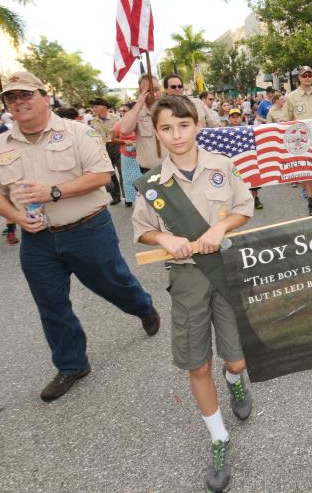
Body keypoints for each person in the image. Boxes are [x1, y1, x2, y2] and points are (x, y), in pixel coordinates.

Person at [0, 71, 160, 402]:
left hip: (88, 230)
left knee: (114, 283)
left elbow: (103, 175)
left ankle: (143, 307)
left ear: (44, 97)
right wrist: (17, 217)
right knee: (50, 303)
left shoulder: (79, 133)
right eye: (11, 98)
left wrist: (55, 191)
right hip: (37, 241)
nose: (18, 102)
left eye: (25, 95)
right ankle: (72, 365)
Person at [131, 96, 254, 493]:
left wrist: (221, 228)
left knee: (236, 358)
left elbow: (244, 207)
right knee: (197, 364)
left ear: (197, 125)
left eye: (183, 126)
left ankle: (234, 380)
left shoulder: (221, 166)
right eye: (166, 128)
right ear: (158, 132)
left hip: (226, 272)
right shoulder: (151, 183)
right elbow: (142, 228)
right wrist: (164, 235)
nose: (177, 135)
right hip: (186, 280)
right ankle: (218, 438)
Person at [284, 66, 312, 215]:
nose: (308, 77)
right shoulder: (291, 97)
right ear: (299, 78)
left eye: (310, 75)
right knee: (306, 171)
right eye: (304, 75)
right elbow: (286, 118)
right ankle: (310, 201)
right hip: (301, 141)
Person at [118, 73, 164, 173]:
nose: (154, 94)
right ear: (141, 93)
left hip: (175, 169)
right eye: (148, 91)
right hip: (150, 172)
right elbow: (124, 130)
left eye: (156, 89)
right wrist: (139, 103)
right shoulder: (137, 114)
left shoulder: (171, 110)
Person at [88, 98, 122, 206]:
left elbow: (120, 133)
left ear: (103, 107)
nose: (93, 109)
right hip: (103, 150)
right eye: (93, 107)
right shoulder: (92, 122)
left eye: (95, 106)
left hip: (117, 148)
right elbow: (92, 136)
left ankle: (129, 196)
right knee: (110, 174)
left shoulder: (116, 118)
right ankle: (115, 196)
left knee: (122, 172)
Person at [115, 108, 140, 208]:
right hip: (126, 155)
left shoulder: (141, 123)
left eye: (126, 110)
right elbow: (113, 138)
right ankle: (129, 199)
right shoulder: (119, 124)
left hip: (142, 154)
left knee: (143, 177)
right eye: (122, 111)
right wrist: (125, 141)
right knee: (128, 178)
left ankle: (146, 198)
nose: (123, 112)